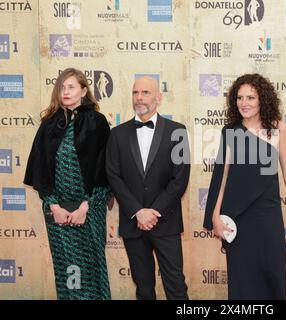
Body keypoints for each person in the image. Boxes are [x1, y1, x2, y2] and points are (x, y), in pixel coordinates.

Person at [204, 73, 286, 299]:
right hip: (238, 218)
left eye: (251, 97)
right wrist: (215, 216)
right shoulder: (230, 132)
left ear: (263, 99)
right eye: (240, 98)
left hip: (267, 215)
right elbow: (221, 177)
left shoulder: (278, 128)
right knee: (243, 281)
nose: (244, 103)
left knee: (275, 274)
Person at [24, 68, 111, 299]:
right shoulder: (49, 124)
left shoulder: (97, 123)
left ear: (84, 90)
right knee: (68, 273)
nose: (65, 91)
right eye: (62, 87)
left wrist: (86, 207)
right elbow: (40, 170)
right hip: (58, 213)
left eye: (71, 87)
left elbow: (105, 171)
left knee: (91, 271)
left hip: (88, 211)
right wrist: (53, 207)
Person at [105, 76, 190, 300]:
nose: (139, 98)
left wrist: (153, 212)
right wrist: (138, 211)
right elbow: (113, 176)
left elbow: (180, 179)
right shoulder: (117, 134)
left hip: (166, 221)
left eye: (145, 92)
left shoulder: (178, 131)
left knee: (176, 285)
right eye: (135, 93)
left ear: (159, 97)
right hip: (133, 222)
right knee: (143, 287)